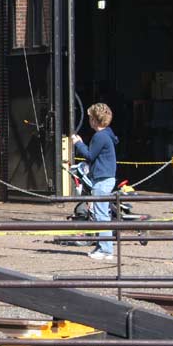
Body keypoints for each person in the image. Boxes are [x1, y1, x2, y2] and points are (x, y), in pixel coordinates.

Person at [72, 103, 118, 261]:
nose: (89, 120)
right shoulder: (108, 135)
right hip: (105, 178)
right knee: (101, 213)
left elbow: (90, 155)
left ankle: (106, 250)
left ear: (94, 120)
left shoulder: (99, 136)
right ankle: (102, 246)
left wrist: (78, 143)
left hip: (102, 179)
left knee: (101, 215)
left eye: (90, 117)